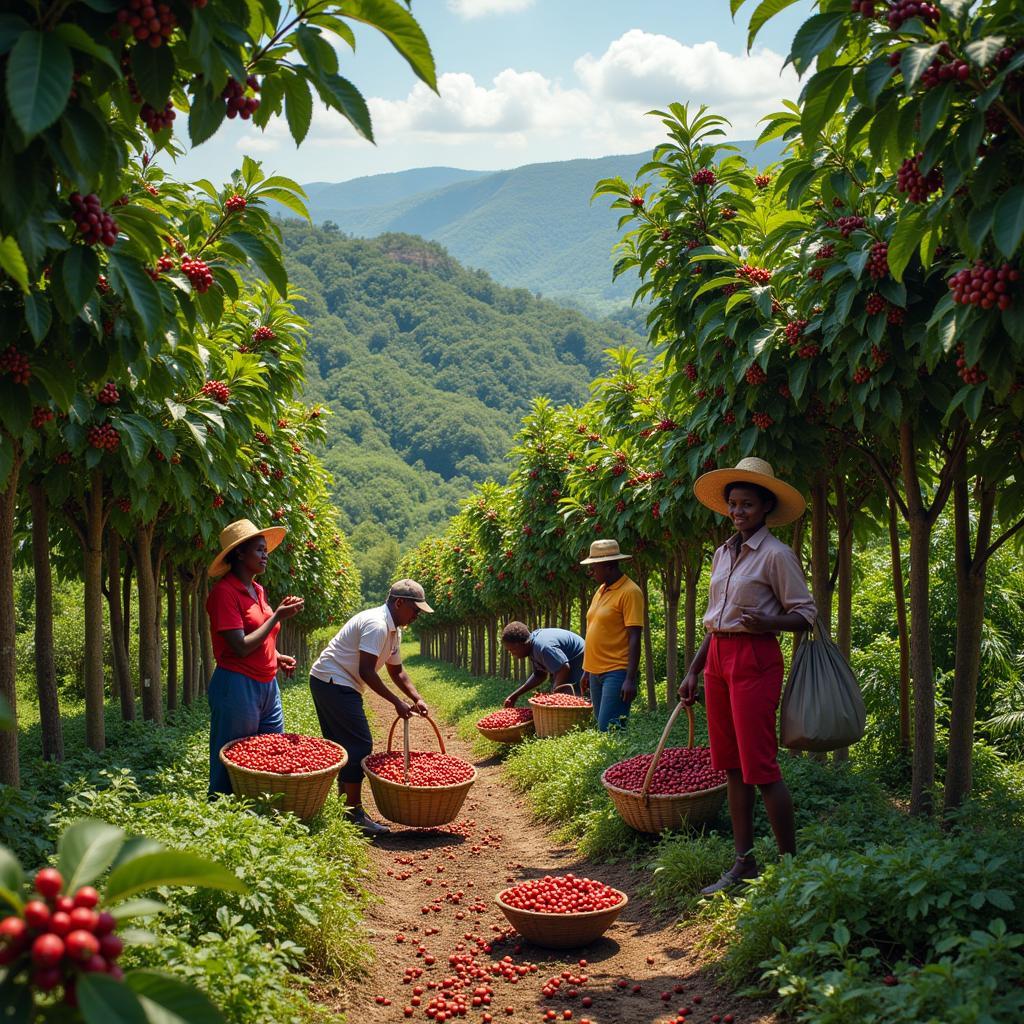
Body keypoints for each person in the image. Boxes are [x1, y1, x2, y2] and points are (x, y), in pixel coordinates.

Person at [681, 457, 816, 895]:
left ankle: (790, 868)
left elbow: (806, 615)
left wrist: (770, 623)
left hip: (755, 657)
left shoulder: (776, 555)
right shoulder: (722, 553)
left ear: (765, 509)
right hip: (719, 656)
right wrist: (695, 668)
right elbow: (715, 619)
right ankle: (744, 863)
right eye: (733, 505)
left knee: (761, 766)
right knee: (731, 767)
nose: (738, 512)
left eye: (748, 505)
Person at [308, 579, 433, 836]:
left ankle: (346, 810)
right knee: (359, 745)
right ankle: (353, 813)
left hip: (338, 681)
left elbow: (396, 671)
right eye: (415, 608)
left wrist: (416, 697)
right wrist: (396, 702)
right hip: (333, 680)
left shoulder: (394, 630)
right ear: (399, 603)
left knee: (346, 746)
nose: (418, 614)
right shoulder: (377, 625)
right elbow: (367, 670)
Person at [206, 519, 304, 798]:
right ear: (239, 554)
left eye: (265, 550)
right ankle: (220, 812)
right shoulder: (224, 593)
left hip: (267, 686)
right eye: (259, 550)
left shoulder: (257, 590)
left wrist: (277, 655)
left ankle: (261, 808)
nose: (265, 555)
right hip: (236, 685)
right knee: (232, 754)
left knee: (270, 750)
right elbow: (239, 646)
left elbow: (260, 637)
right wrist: (277, 615)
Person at [579, 539, 644, 731]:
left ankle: (620, 760)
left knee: (610, 728)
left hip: (617, 671)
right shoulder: (600, 590)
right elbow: (595, 629)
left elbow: (634, 637)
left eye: (594, 567)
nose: (591, 572)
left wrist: (630, 679)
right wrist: (586, 670)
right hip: (595, 672)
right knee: (603, 727)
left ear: (609, 566)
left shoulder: (630, 592)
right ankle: (614, 761)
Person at [500, 622, 586, 706]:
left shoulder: (543, 648)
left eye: (512, 650)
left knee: (573, 701)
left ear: (522, 644)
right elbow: (539, 675)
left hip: (580, 660)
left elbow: (564, 668)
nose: (512, 654)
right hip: (569, 663)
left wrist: (555, 693)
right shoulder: (532, 645)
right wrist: (515, 695)